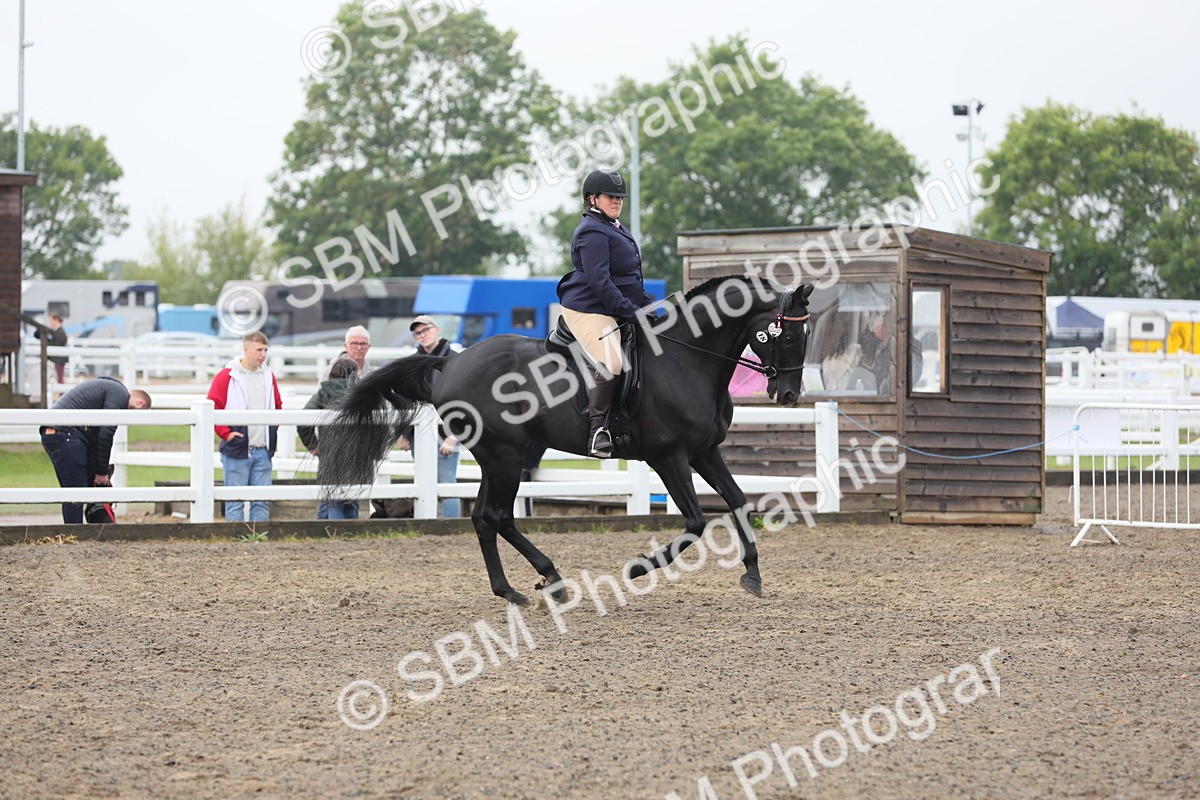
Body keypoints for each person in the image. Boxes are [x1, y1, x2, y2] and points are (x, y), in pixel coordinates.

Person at [556, 168, 655, 457]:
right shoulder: (591, 230)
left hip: (614, 305)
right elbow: (601, 282)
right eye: (611, 197)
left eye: (620, 197)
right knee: (612, 361)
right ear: (592, 199)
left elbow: (628, 279)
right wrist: (631, 311)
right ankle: (598, 430)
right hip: (588, 308)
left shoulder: (616, 227)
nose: (617, 201)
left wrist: (648, 306)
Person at [40, 377, 152, 524]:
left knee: (75, 489)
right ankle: (76, 535)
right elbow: (106, 433)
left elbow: (96, 436)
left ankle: (75, 533)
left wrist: (98, 470)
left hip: (57, 433)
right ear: (140, 403)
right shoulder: (120, 395)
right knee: (76, 493)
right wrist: (101, 472)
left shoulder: (110, 390)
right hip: (66, 434)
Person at [207, 331, 283, 523]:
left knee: (261, 501)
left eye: (265, 350)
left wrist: (272, 431)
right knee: (235, 501)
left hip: (263, 448)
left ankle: (260, 538)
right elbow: (213, 407)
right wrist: (226, 433)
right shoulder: (227, 377)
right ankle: (235, 540)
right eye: (259, 350)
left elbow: (277, 404)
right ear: (246, 349)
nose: (263, 354)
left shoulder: (268, 376)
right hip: (238, 447)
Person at [400, 315, 460, 517]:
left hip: (446, 432)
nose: (422, 335)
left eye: (426, 330)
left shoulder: (455, 360)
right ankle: (427, 524)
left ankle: (454, 528)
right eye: (418, 333)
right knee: (423, 482)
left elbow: (463, 399)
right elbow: (404, 399)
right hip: (418, 433)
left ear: (437, 330)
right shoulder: (412, 364)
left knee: (448, 482)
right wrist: (404, 433)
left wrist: (454, 436)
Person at [299, 357, 360, 520]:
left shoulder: (323, 393)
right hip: (357, 455)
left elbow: (303, 419)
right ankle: (349, 534)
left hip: (330, 454)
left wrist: (312, 444)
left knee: (333, 500)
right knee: (351, 500)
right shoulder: (361, 394)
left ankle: (331, 534)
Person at [35, 314, 70, 384]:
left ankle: (62, 393)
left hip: (59, 359)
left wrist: (47, 343)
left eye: (51, 321)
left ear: (56, 320)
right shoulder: (58, 331)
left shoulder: (60, 331)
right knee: (58, 377)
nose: (50, 323)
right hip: (58, 358)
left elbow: (59, 343)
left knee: (59, 377)